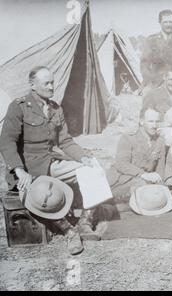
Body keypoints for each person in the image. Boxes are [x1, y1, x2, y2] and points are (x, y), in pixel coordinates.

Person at [0, 66, 98, 255]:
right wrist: (19, 171)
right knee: (41, 193)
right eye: (47, 83)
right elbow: (6, 142)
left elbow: (66, 141)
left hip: (51, 162)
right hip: (28, 168)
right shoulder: (19, 106)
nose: (52, 86)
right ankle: (70, 231)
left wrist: (83, 157)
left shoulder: (55, 109)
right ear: (33, 85)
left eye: (52, 82)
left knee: (93, 170)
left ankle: (85, 223)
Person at [106, 108, 166, 204]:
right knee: (144, 191)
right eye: (151, 121)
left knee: (161, 193)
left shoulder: (160, 141)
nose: (154, 125)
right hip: (122, 181)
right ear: (142, 122)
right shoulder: (128, 138)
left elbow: (160, 169)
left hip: (144, 182)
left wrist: (160, 183)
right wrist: (143, 174)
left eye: (157, 121)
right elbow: (121, 163)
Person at [140, 66, 172, 133]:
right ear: (164, 77)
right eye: (170, 80)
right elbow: (144, 120)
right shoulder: (153, 95)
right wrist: (166, 119)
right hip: (160, 132)